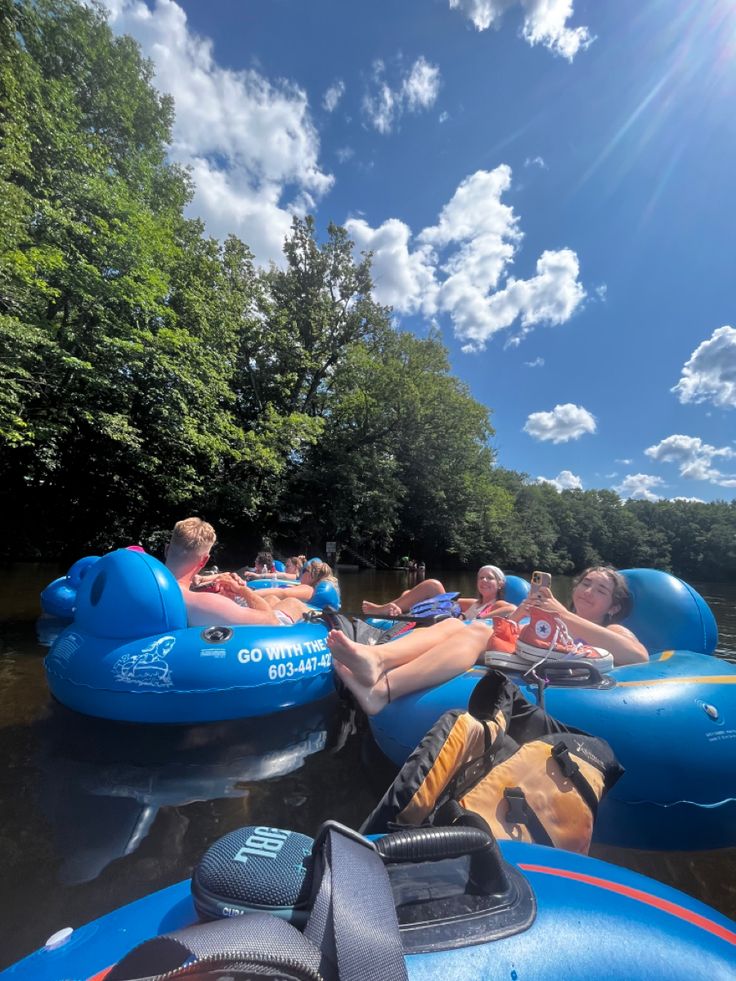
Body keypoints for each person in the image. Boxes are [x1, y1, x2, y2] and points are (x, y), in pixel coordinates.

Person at [329, 565, 647, 716]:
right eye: (585, 583)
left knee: (480, 629)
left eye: (600, 590)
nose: (587, 592)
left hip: (556, 679)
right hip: (515, 659)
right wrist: (536, 609)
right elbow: (509, 631)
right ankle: (377, 661)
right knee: (460, 624)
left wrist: (563, 614)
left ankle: (383, 690)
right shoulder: (547, 619)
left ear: (614, 607)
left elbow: (637, 656)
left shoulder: (616, 632)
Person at [164, 518, 310, 627]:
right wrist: (242, 590)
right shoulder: (203, 603)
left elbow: (187, 581)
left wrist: (212, 580)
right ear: (204, 561)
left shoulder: (147, 585)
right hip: (269, 630)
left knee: (271, 599)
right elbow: (271, 621)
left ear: (166, 549)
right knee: (293, 603)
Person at [361, 564, 515, 620]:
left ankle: (383, 609)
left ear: (500, 584)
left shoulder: (497, 603)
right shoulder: (475, 603)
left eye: (490, 578)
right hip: (448, 620)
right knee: (409, 592)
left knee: (433, 585)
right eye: (481, 578)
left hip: (450, 628)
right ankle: (395, 611)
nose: (484, 581)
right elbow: (448, 600)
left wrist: (478, 618)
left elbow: (511, 609)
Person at [253, 559, 340, 609]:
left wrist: (251, 594)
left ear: (310, 576)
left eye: (304, 571)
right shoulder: (313, 589)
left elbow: (283, 593)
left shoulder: (308, 589)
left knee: (271, 599)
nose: (301, 574)